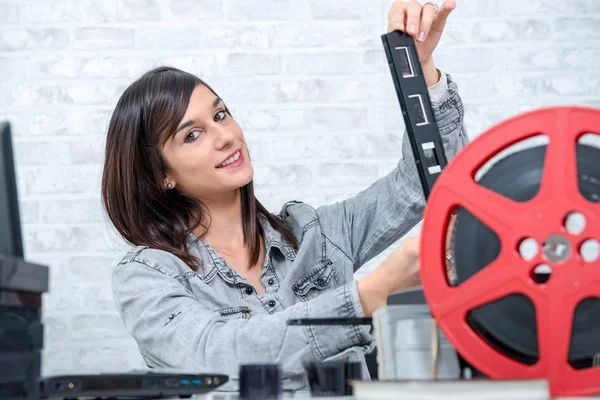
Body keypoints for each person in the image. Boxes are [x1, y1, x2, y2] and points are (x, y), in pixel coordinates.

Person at [102, 0, 469, 391]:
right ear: (162, 175)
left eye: (221, 114)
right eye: (192, 135)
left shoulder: (317, 234)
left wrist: (421, 72)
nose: (226, 136)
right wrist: (367, 296)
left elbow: (426, 183)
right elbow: (219, 355)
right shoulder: (148, 275)